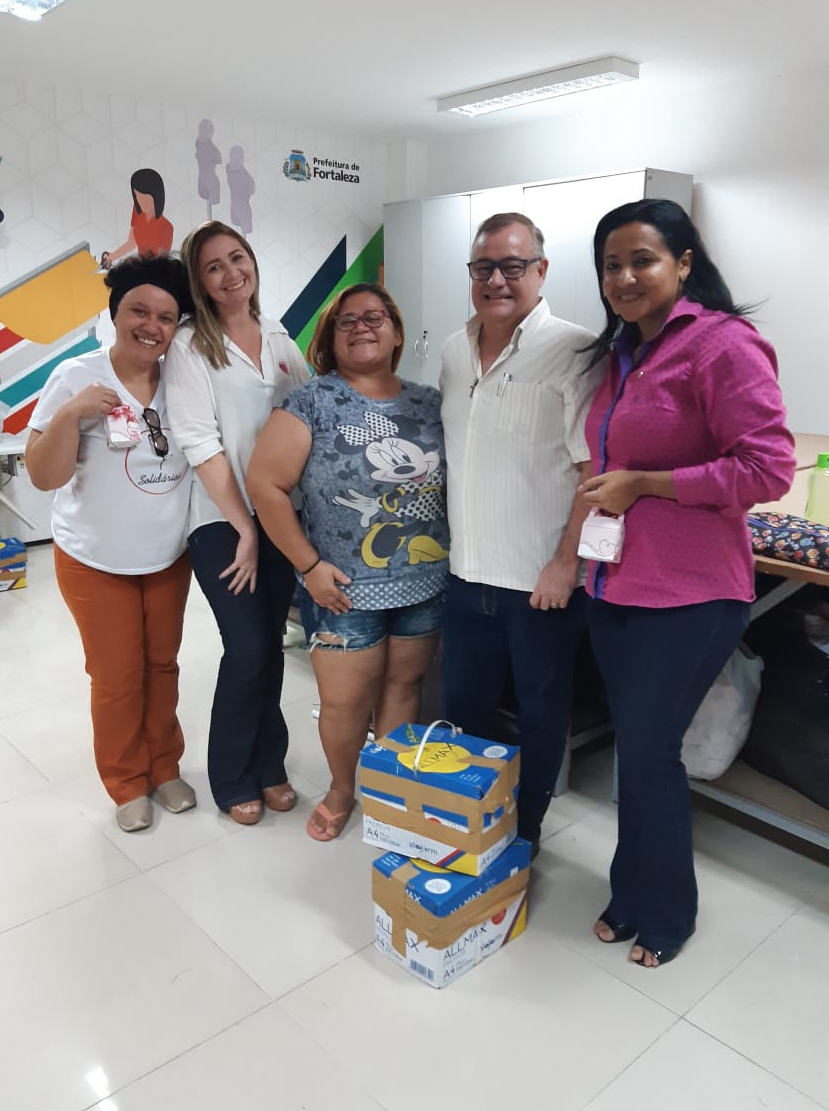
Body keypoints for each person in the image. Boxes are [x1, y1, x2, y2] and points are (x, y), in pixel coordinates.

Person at [578, 198, 796, 967]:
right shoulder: (621, 352)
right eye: (611, 265)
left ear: (684, 262)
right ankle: (630, 892)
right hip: (615, 587)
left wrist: (646, 483)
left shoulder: (723, 345)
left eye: (642, 259)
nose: (624, 277)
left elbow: (767, 468)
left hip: (692, 595)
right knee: (636, 752)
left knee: (649, 754)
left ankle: (667, 913)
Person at [247, 283, 448, 842]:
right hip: (341, 589)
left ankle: (389, 789)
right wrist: (309, 566)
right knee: (344, 703)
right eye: (347, 321)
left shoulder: (429, 402)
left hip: (424, 582)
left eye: (375, 317)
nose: (362, 327)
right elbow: (265, 485)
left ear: (397, 332)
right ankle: (341, 789)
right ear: (331, 339)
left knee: (404, 687)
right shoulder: (311, 401)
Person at [439, 212, 599, 857]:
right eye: (484, 267)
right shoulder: (454, 348)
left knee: (539, 715)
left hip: (539, 584)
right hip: (465, 574)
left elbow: (593, 470)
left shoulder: (576, 350)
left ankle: (523, 835)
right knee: (463, 712)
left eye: (512, 266)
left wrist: (566, 562)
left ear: (541, 270)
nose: (497, 280)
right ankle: (464, 828)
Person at [25, 254, 195, 833]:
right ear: (115, 313)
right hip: (94, 558)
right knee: (118, 674)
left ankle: (164, 767)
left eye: (166, 317)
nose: (152, 326)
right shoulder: (76, 376)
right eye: (138, 312)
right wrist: (71, 414)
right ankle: (126, 781)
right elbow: (43, 476)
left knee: (162, 665)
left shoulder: (183, 377)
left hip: (167, 555)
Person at [163, 221, 309, 826]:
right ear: (199, 281)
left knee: (270, 645)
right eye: (213, 266)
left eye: (237, 257)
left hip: (280, 515)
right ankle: (231, 774)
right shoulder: (190, 345)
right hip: (221, 521)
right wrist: (245, 527)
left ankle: (270, 763)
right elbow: (200, 443)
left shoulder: (278, 334)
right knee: (247, 646)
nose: (230, 273)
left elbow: (309, 412)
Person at [101, 168, 173, 267]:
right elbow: (131, 243)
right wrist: (111, 257)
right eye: (137, 196)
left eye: (144, 197)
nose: (140, 201)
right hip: (139, 268)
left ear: (156, 196)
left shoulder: (166, 227)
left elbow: (160, 264)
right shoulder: (137, 211)